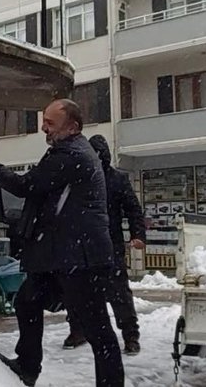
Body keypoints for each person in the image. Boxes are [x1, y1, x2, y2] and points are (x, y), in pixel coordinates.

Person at [0, 99, 125, 387]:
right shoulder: (69, 151)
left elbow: (26, 186)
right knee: (28, 301)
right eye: (44, 120)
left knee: (97, 328)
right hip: (64, 254)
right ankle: (27, 365)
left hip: (80, 257)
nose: (43, 128)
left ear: (72, 127)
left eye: (50, 123)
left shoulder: (70, 154)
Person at [63, 134, 146, 355]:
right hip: (82, 246)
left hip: (110, 246)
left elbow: (133, 209)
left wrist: (138, 234)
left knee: (118, 293)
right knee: (77, 291)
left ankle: (130, 335)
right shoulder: (79, 178)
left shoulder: (117, 179)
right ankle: (78, 330)